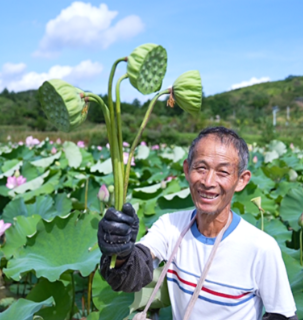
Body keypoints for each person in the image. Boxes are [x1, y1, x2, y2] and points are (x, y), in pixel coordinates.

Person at [98, 126, 298, 320]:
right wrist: (121, 253)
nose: (208, 182)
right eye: (201, 168)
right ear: (187, 169)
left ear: (241, 180)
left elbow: (282, 316)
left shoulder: (261, 247)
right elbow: (129, 277)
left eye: (223, 172)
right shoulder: (170, 226)